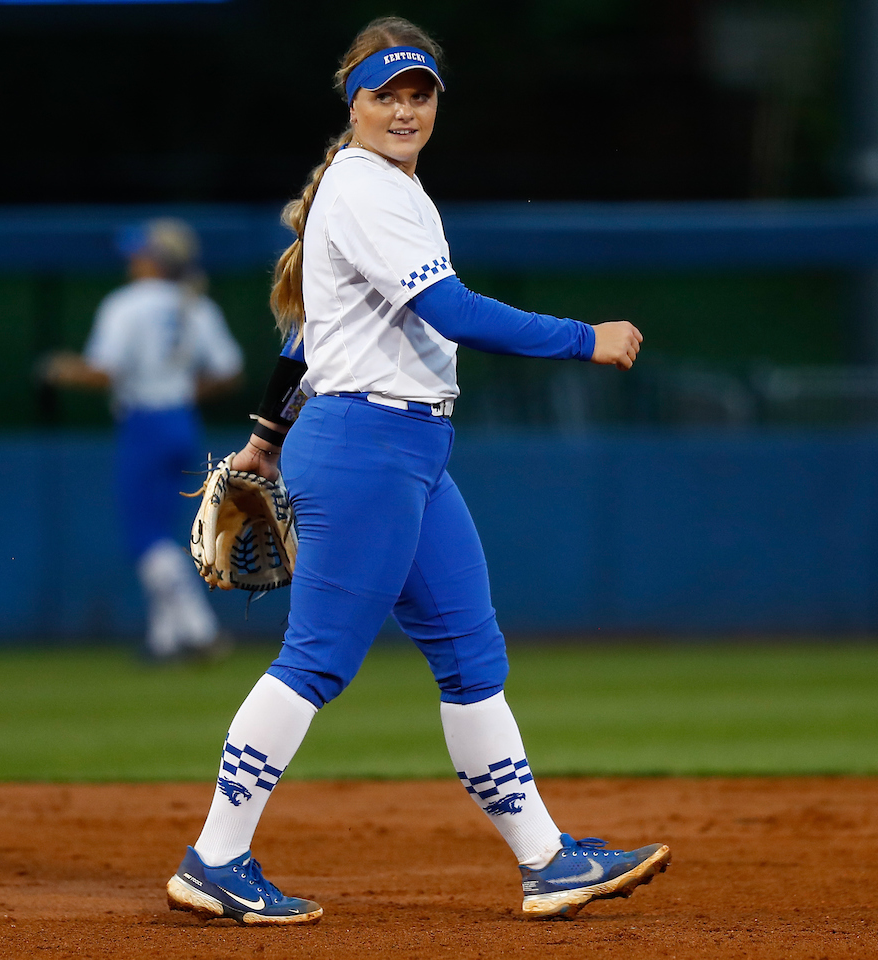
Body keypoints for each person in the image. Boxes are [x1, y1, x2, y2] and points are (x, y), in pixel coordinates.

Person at [164, 17, 670, 924]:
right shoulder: (367, 190)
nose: (403, 109)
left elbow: (304, 333)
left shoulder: (386, 188)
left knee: (473, 658)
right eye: (384, 94)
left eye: (419, 93)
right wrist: (582, 339)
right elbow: (450, 309)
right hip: (365, 447)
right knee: (316, 660)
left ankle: (548, 861)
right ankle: (215, 856)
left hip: (409, 452)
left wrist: (267, 440)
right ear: (351, 104)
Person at [38, 218, 243, 661]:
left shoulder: (126, 305)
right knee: (163, 535)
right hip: (181, 421)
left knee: (145, 538)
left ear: (155, 261)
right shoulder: (195, 305)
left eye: (140, 253)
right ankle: (164, 640)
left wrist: (62, 370)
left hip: (145, 423)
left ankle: (199, 631)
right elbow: (229, 370)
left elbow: (104, 371)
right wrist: (183, 390)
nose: (132, 260)